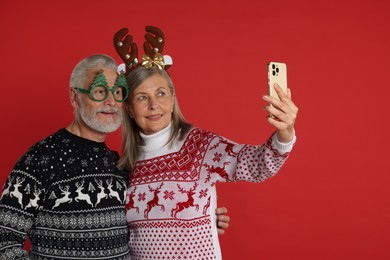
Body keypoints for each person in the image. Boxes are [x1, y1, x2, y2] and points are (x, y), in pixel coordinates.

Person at [0, 54, 231, 260]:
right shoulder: (40, 159)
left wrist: (200, 216)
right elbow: (4, 242)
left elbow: (144, 224)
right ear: (75, 97)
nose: (111, 102)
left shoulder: (119, 165)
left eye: (117, 93)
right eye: (99, 91)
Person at [116, 49, 298, 259]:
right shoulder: (124, 165)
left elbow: (257, 165)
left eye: (160, 93)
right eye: (141, 97)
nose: (154, 105)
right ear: (129, 109)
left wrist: (285, 132)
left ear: (173, 98)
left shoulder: (200, 146)